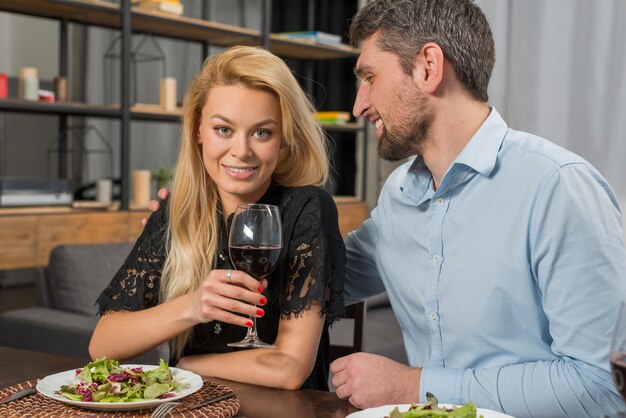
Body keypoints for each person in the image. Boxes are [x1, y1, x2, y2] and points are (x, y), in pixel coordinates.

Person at [328, 0, 626, 416]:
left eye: (370, 77)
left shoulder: (558, 187)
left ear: (428, 67)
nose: (359, 105)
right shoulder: (399, 194)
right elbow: (329, 278)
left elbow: (601, 387)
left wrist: (413, 386)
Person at [89, 45, 345, 391]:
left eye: (262, 132)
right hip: (194, 410)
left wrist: (189, 365)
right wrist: (194, 305)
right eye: (223, 129)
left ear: (284, 139)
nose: (241, 150)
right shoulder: (176, 212)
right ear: (198, 131)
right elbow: (103, 344)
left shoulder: (307, 209)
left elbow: (289, 369)